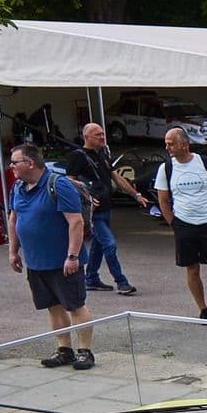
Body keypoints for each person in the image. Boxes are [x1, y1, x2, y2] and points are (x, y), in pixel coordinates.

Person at [5, 143, 96, 370]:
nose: (11, 166)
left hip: (62, 261)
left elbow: (76, 221)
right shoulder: (17, 187)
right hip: (36, 262)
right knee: (53, 306)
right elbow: (14, 219)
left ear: (30, 163)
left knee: (75, 305)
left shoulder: (58, 185)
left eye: (15, 162)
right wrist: (13, 251)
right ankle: (64, 350)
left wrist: (72, 256)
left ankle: (85, 352)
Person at [154, 127, 207, 320]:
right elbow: (163, 200)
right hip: (184, 225)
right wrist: (174, 223)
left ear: (184, 144)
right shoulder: (166, 168)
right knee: (192, 269)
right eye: (166, 144)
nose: (167, 148)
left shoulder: (205, 162)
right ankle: (202, 309)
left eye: (171, 144)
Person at [66, 122, 144, 295]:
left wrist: (136, 195)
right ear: (86, 137)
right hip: (93, 212)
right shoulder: (77, 156)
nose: (102, 137)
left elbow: (117, 179)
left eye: (102, 134)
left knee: (99, 244)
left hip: (106, 208)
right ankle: (121, 282)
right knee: (109, 244)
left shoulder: (103, 154)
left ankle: (91, 278)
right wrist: (87, 197)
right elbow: (69, 181)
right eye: (98, 135)